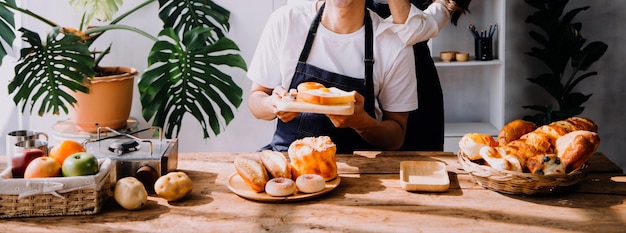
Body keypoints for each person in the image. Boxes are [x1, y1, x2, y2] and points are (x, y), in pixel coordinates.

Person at [247, 0, 453, 153]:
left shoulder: (394, 45)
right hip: (289, 164)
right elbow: (256, 99)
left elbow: (396, 137)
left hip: (361, 175)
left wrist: (362, 122)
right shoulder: (286, 21)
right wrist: (272, 105)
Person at [368, 0, 472, 151]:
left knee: (423, 167)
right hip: (367, 85)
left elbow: (409, 30)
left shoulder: (444, 4)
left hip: (418, 93)